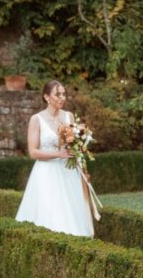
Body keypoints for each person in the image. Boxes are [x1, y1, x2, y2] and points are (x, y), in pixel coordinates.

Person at [15, 80, 95, 237]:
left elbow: (74, 146)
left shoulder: (69, 116)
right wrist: (57, 154)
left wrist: (80, 162)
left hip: (68, 172)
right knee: (50, 212)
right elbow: (33, 152)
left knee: (71, 211)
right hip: (46, 173)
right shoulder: (36, 119)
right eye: (58, 94)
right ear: (47, 97)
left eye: (64, 94)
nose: (62, 98)